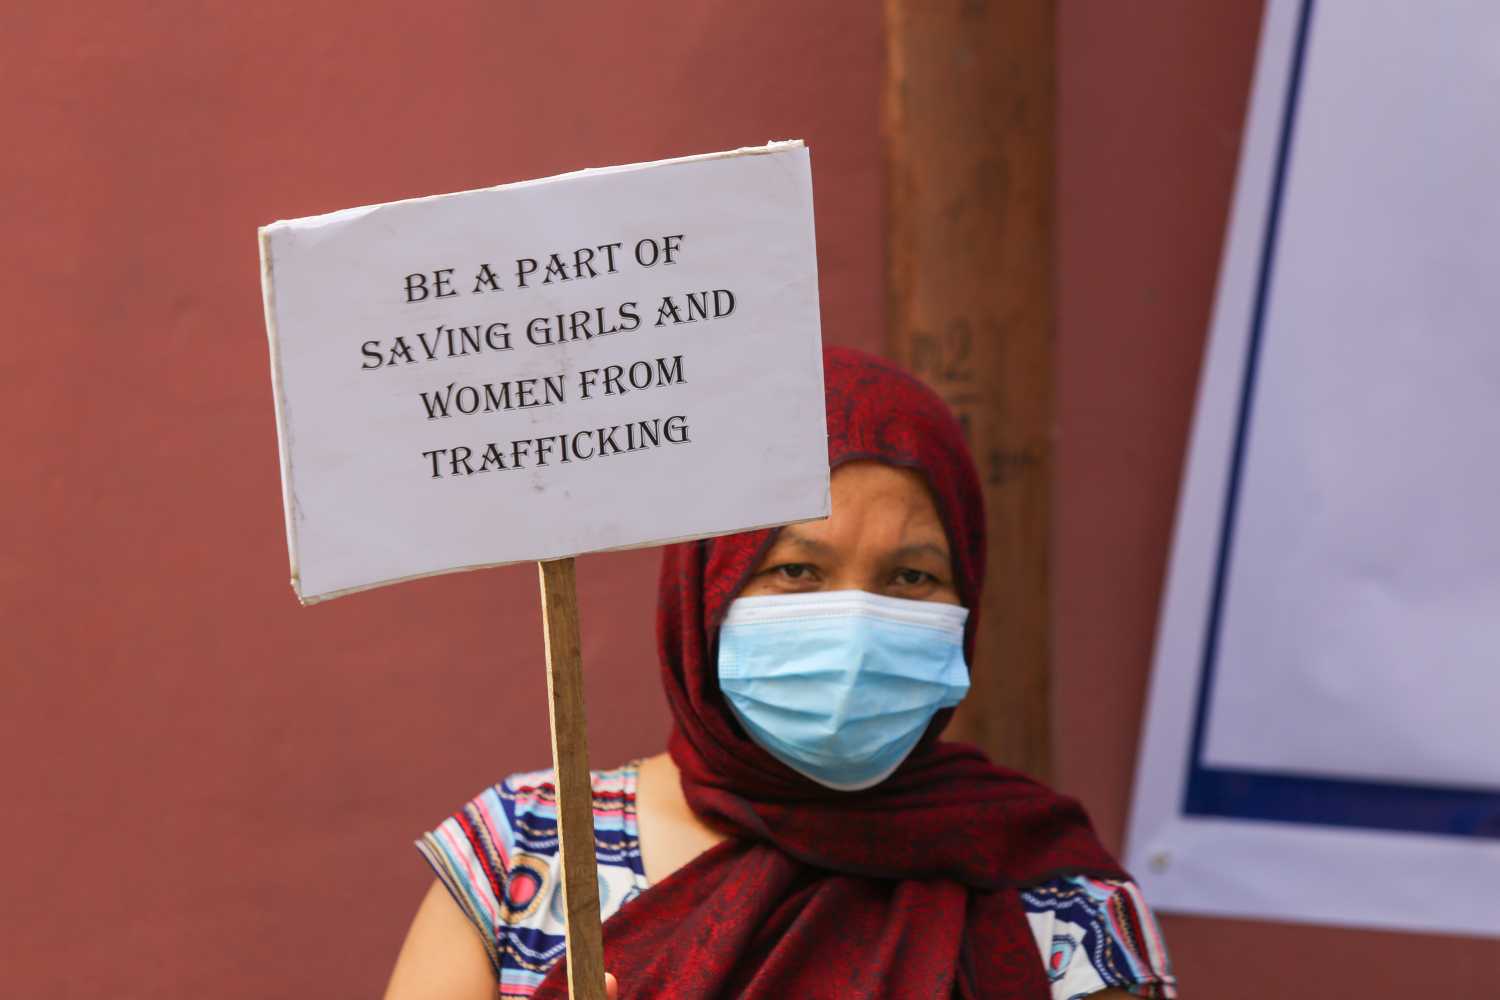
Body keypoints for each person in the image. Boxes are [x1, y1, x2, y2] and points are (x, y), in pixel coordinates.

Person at [385, 348, 1176, 999]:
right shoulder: (530, 852)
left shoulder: (1058, 902)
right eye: (797, 570)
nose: (856, 624)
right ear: (706, 588)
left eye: (911, 579)